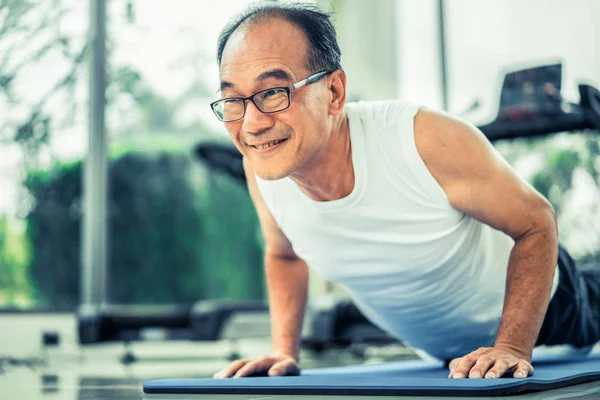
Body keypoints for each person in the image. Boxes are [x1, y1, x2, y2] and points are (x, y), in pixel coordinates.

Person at [209, 1, 600, 380]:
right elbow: (284, 253)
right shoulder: (261, 168)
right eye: (232, 100)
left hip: (554, 311)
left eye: (273, 92)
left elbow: (537, 222)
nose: (252, 124)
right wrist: (283, 351)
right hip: (448, 357)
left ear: (333, 92)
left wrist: (512, 346)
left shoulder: (421, 138)